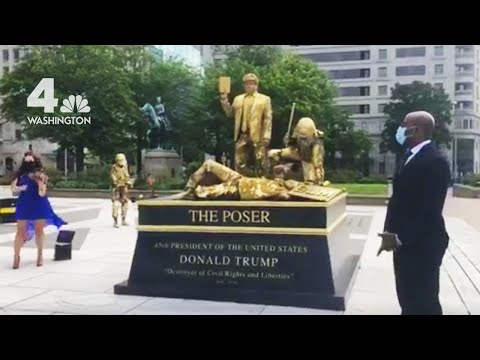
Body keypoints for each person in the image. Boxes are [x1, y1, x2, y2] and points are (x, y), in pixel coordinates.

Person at [378, 111, 451, 315]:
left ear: (416, 130)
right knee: (408, 299)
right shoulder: (408, 157)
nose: (400, 129)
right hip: (403, 244)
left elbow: (430, 210)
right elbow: (398, 200)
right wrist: (388, 233)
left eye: (404, 125)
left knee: (424, 301)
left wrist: (402, 238)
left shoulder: (435, 161)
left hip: (423, 245)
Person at [169, 160, 343, 202]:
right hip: (239, 179)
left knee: (202, 193)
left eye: (289, 169)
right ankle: (189, 187)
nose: (285, 169)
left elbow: (286, 197)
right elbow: (275, 170)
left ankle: (190, 193)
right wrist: (281, 169)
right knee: (209, 164)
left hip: (237, 190)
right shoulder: (277, 179)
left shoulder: (284, 191)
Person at [11, 151, 66, 269]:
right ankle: (23, 256)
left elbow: (41, 191)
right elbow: (14, 188)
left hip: (32, 204)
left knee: (27, 231)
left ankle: (23, 257)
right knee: (34, 231)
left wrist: (39, 184)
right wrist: (25, 187)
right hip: (31, 204)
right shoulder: (24, 175)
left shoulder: (33, 175)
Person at [220, 73, 273, 177]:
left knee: (260, 159)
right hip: (242, 133)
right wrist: (224, 100)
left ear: (256, 85)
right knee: (239, 159)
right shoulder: (238, 99)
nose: (249, 85)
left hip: (258, 134)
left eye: (252, 83)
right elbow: (229, 113)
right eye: (246, 84)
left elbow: (268, 118)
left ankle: (262, 180)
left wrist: (267, 135)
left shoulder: (264, 99)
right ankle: (240, 180)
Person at [268, 117, 326, 184]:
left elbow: (317, 157)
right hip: (299, 154)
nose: (302, 139)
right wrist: (287, 142)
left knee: (311, 180)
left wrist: (317, 169)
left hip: (310, 159)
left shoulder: (317, 140)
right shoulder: (296, 134)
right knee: (273, 153)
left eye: (305, 138)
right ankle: (272, 175)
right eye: (301, 137)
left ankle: (316, 182)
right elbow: (292, 147)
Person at [111, 153, 132, 228]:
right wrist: (116, 182)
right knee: (116, 203)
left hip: (124, 186)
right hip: (117, 187)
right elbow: (113, 178)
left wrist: (129, 182)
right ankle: (115, 221)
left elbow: (127, 175)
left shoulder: (124, 166)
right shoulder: (114, 168)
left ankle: (123, 220)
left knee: (125, 202)